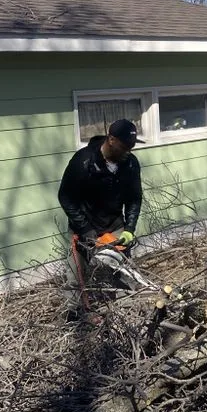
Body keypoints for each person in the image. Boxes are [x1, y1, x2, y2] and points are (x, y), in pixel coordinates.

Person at [58, 119, 144, 315]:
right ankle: (74, 319)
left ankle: (126, 315)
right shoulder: (83, 161)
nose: (128, 151)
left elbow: (134, 199)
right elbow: (66, 197)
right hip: (82, 227)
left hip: (114, 225)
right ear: (111, 140)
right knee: (75, 276)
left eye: (131, 147)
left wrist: (130, 229)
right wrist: (86, 231)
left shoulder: (130, 164)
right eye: (124, 146)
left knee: (121, 272)